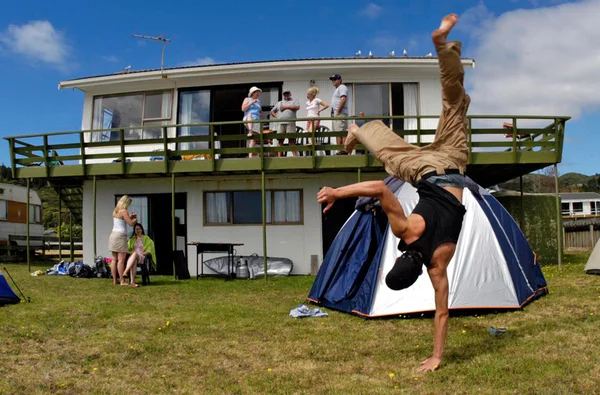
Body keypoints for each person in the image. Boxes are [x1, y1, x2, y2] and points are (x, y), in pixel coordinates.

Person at [317, 14, 469, 373]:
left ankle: (356, 130)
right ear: (400, 258)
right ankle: (439, 47)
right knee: (387, 153)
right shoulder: (406, 230)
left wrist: (436, 357)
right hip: (423, 170)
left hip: (451, 165)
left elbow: (442, 312)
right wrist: (337, 193)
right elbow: (378, 189)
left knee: (455, 100)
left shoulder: (438, 265)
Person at [109, 195, 137, 286]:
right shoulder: (124, 211)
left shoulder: (115, 210)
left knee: (114, 259)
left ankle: (114, 280)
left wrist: (130, 216)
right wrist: (135, 220)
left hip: (113, 235)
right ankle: (122, 280)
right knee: (121, 260)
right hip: (120, 236)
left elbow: (121, 220)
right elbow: (130, 224)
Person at [123, 223, 157, 288]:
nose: (138, 230)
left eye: (139, 229)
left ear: (141, 230)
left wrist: (139, 254)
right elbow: (128, 249)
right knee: (134, 259)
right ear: (134, 230)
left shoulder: (146, 238)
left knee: (135, 254)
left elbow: (149, 250)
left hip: (142, 256)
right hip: (134, 257)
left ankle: (125, 271)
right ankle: (132, 282)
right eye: (136, 229)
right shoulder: (132, 239)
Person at [270, 91, 300, 157]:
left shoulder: (294, 101)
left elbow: (297, 107)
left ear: (290, 94)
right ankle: (279, 157)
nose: (286, 95)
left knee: (291, 140)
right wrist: (277, 116)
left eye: (287, 93)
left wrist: (286, 107)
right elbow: (272, 111)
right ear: (283, 95)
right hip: (281, 123)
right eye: (285, 94)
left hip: (290, 123)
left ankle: (295, 156)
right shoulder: (279, 103)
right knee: (280, 140)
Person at [329, 74, 349, 155]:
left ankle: (342, 151)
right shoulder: (338, 89)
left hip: (340, 114)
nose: (333, 81)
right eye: (332, 80)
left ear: (340, 80)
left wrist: (337, 111)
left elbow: (343, 99)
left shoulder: (342, 87)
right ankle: (340, 150)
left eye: (335, 79)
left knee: (341, 132)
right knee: (338, 132)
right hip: (337, 114)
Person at [242, 86, 263, 158]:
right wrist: (252, 103)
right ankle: (250, 131)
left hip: (256, 120)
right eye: (256, 92)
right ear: (253, 93)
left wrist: (259, 115)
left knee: (253, 139)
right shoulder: (247, 99)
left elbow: (260, 111)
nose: (258, 94)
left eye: (258, 93)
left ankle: (250, 156)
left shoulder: (258, 101)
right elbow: (243, 109)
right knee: (250, 114)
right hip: (248, 119)